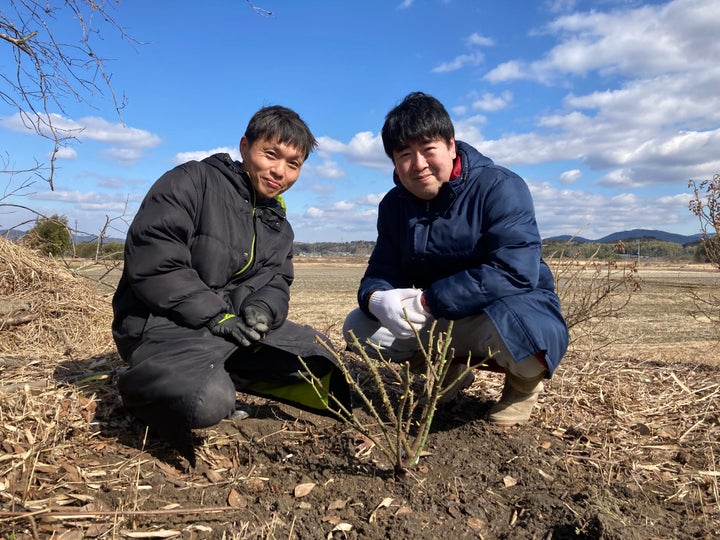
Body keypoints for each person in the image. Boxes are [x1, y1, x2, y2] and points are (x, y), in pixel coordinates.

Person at [112, 105, 349, 465]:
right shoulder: (191, 181)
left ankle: (225, 366)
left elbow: (277, 281)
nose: (279, 171)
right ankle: (136, 382)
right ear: (244, 146)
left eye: (293, 164)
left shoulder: (278, 225)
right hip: (159, 321)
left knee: (319, 355)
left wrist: (261, 309)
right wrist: (214, 316)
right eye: (271, 154)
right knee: (207, 403)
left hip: (225, 329)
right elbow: (156, 258)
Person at [343, 92, 568, 425]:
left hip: (501, 312)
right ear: (393, 161)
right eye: (405, 154)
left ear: (450, 145)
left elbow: (514, 271)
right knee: (359, 327)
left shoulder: (500, 187)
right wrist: (376, 299)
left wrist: (429, 302)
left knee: (532, 333)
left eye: (428, 150)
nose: (418, 164)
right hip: (441, 317)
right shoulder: (394, 205)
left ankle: (522, 387)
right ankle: (450, 367)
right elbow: (381, 269)